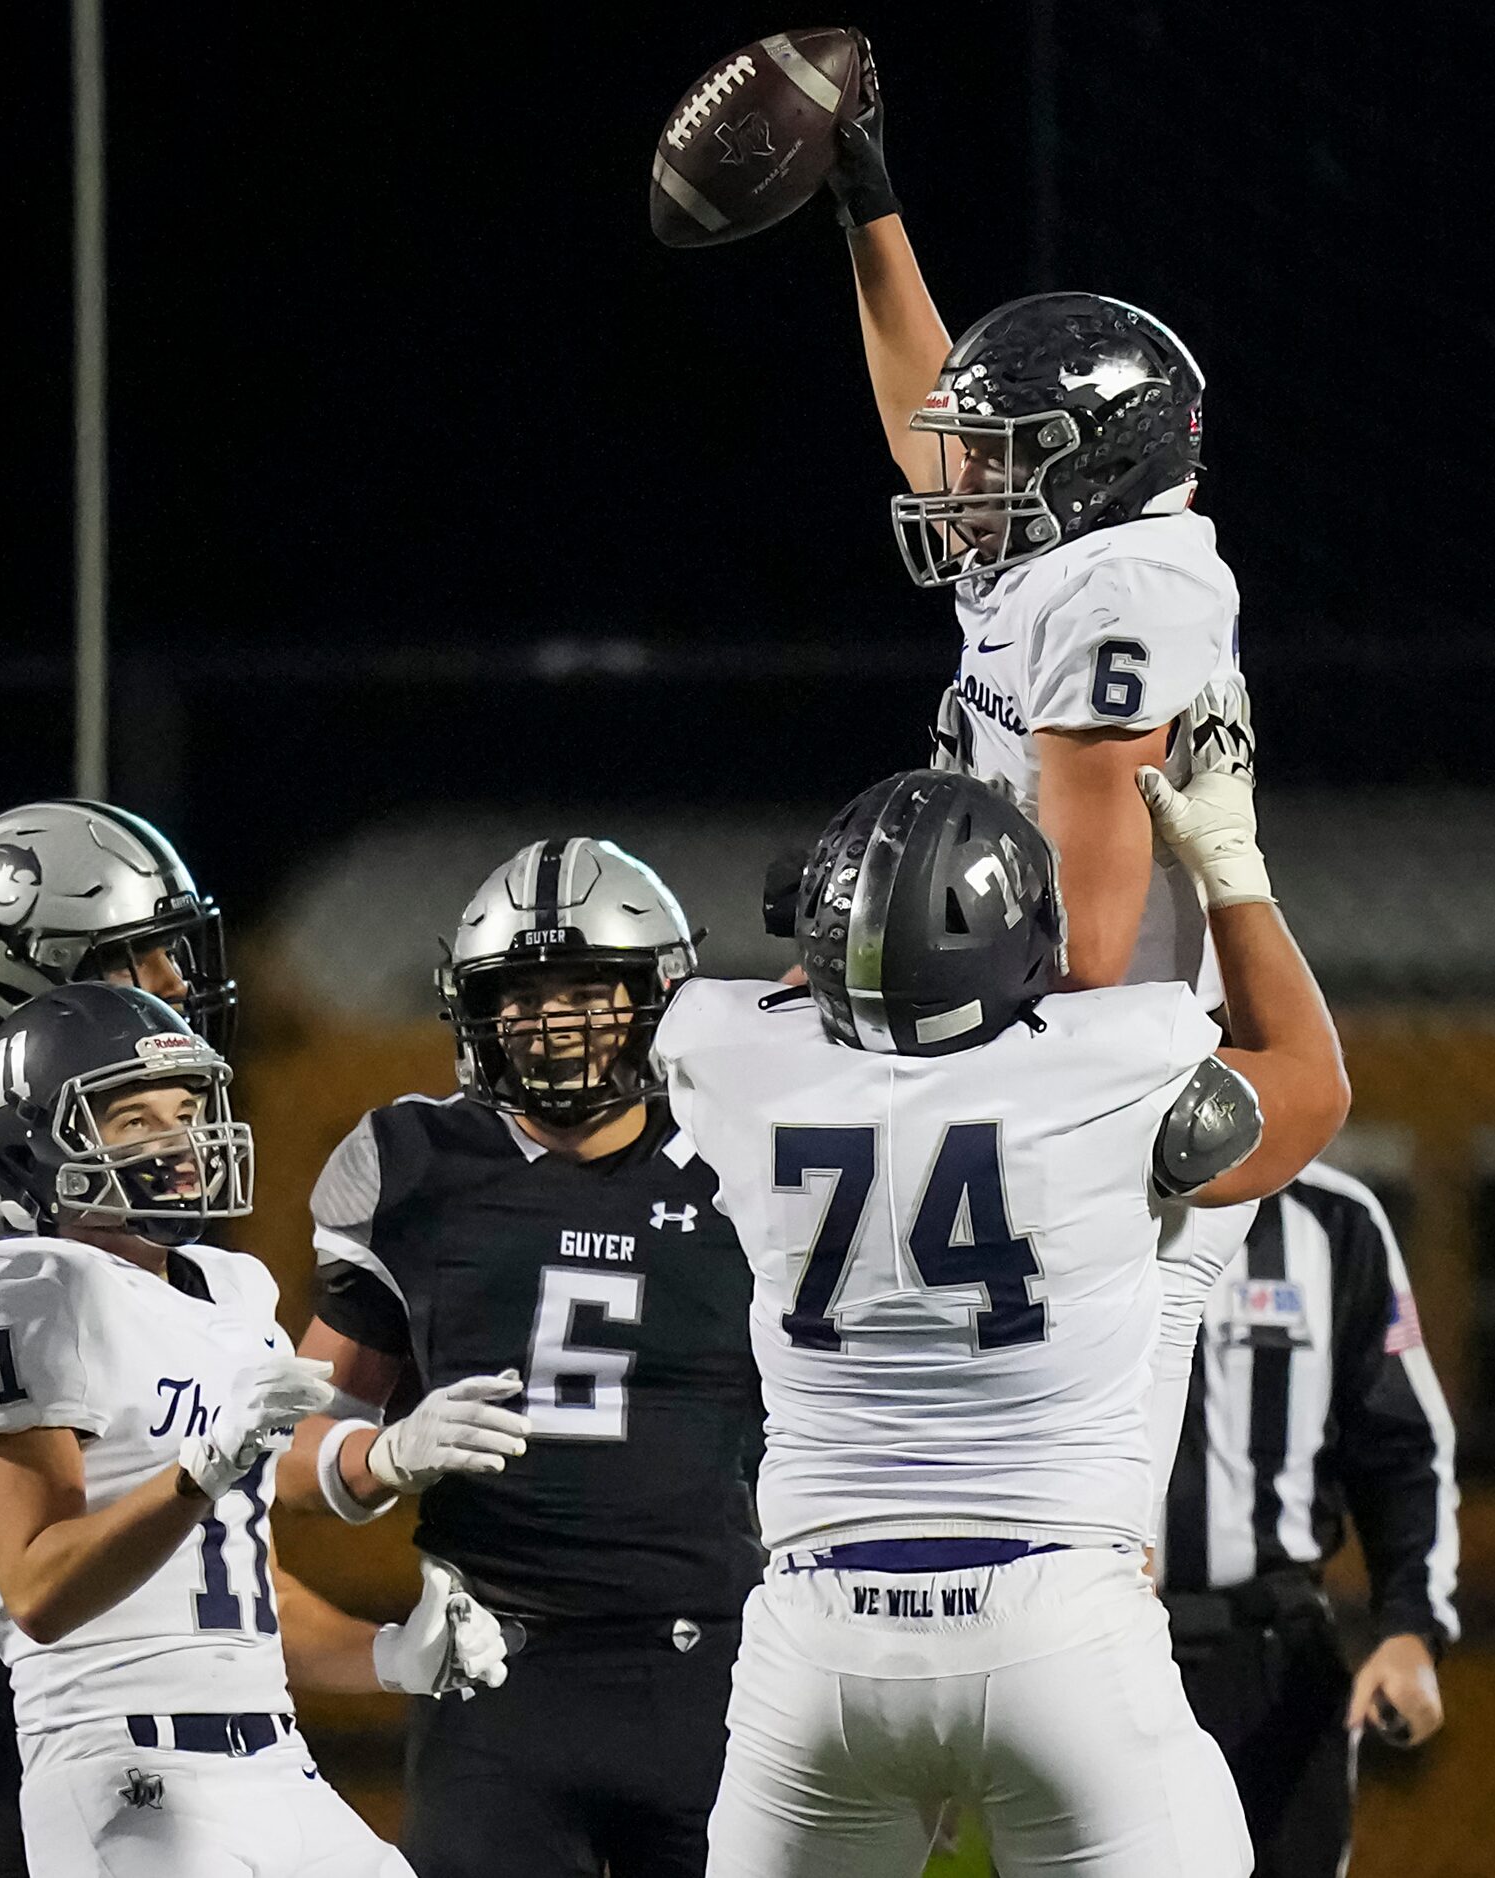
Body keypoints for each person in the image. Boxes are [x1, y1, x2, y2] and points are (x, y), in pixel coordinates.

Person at [650, 705, 1350, 1875]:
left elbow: (803, 1006)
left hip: (816, 1642)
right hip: (1052, 1626)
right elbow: (1309, 1092)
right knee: (1186, 1228)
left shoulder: (730, 1056)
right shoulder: (1109, 1067)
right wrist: (1228, 870)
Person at [0, 982, 514, 1878]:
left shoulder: (233, 1295)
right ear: (38, 1143)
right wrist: (194, 1475)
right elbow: (38, 1589)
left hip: (276, 1764)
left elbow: (240, 1591)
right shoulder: (12, 1294)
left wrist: (389, 1654)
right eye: (133, 1119)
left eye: (188, 1109)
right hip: (120, 1770)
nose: (180, 1139)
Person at [276, 836, 765, 1878]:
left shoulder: (752, 1147)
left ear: (657, 994)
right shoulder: (414, 1164)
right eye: (522, 995)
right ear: (476, 1009)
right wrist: (384, 1456)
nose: (551, 1023)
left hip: (724, 1663)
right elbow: (284, 1447)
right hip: (498, 1668)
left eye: (589, 991)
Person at [816, 32, 1240, 997]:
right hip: (1019, 1009)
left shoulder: (1125, 591)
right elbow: (919, 418)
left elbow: (1085, 953)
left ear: (1096, 466)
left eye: (998, 455)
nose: (960, 478)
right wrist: (865, 208)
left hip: (1099, 1066)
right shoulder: (1056, 549)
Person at [0, 797, 240, 1878]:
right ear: (43, 974)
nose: (177, 981)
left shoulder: (132, 1149)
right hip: (39, 1615)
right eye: (139, 954)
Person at [1161, 1161, 1459, 1877]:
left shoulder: (1333, 1219)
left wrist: (1409, 1629)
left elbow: (1401, 1444)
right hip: (1093, 1643)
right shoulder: (1060, 1192)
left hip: (1269, 1654)